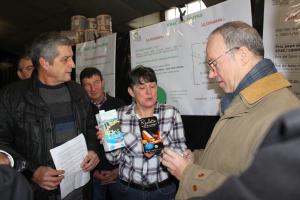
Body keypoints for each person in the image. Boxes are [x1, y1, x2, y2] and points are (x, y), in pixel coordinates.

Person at [160, 21, 300, 199]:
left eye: (213, 63)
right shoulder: (240, 101)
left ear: (242, 54)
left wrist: (188, 174)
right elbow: (231, 158)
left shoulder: (283, 115)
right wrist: (196, 159)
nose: (211, 74)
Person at [0, 32, 100, 200]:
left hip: (79, 188)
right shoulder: (12, 96)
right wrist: (32, 171)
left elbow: (91, 125)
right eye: (65, 59)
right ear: (44, 63)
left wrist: (93, 149)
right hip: (38, 192)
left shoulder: (77, 91)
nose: (73, 64)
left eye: (72, 58)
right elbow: (2, 142)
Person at [97, 66, 187, 200]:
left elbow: (182, 152)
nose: (149, 92)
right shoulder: (119, 115)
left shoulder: (171, 113)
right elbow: (114, 159)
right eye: (142, 88)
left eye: (152, 86)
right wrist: (109, 141)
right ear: (131, 92)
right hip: (127, 189)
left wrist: (157, 147)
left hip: (162, 189)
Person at [190, 107, 300, 200]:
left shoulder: (285, 117)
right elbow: (218, 154)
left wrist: (187, 173)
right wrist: (194, 157)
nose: (211, 79)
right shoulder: (234, 105)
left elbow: (249, 190)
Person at [80, 67, 125, 200]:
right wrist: (92, 172)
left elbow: (128, 140)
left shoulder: (119, 104)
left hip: (119, 172)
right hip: (93, 174)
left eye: (96, 82)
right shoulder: (81, 110)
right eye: (87, 85)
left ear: (103, 82)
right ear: (82, 87)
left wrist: (118, 170)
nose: (93, 88)